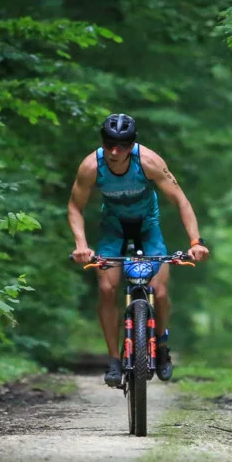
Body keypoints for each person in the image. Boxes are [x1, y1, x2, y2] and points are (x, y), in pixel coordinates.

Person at [68, 113, 209, 387]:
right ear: (103, 142)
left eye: (122, 145)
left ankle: (162, 347)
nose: (115, 151)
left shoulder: (149, 162)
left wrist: (196, 242)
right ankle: (113, 359)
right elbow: (75, 207)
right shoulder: (91, 166)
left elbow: (180, 200)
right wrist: (81, 246)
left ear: (132, 144)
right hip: (113, 228)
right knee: (107, 288)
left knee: (161, 290)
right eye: (109, 144)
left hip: (148, 226)